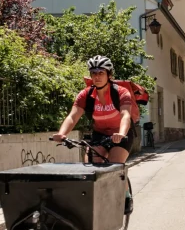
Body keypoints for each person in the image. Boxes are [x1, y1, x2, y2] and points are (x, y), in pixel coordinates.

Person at [52, 55, 133, 210]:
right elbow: (73, 115)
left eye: (101, 73)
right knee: (91, 167)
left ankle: (126, 196)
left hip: (121, 135)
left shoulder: (121, 92)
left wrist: (121, 133)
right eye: (94, 73)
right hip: (100, 134)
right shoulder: (86, 95)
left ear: (109, 75)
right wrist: (62, 134)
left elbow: (125, 116)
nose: (97, 76)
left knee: (115, 168)